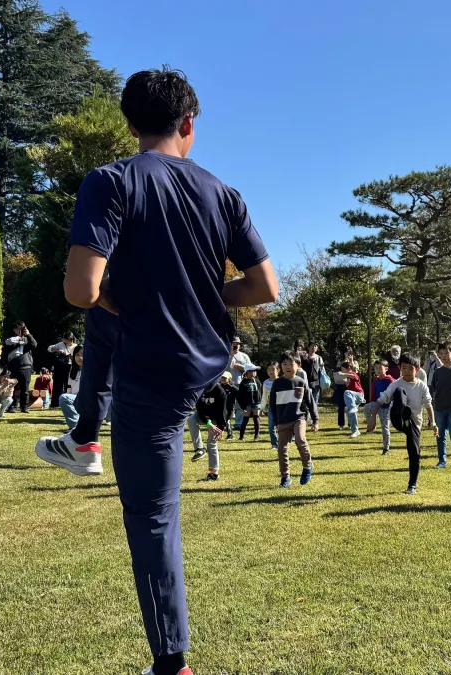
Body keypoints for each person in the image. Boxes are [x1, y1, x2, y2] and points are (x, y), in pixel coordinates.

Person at [52, 67, 278, 675]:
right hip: (206, 359)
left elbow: (81, 289)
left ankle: (171, 662)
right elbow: (264, 288)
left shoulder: (111, 181)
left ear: (130, 125)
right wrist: (199, 295)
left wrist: (131, 297)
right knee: (107, 320)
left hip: (152, 370)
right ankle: (84, 436)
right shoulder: (223, 192)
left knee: (152, 518)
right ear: (189, 123)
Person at [376, 353, 435, 494]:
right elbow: (381, 399)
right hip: (397, 418)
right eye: (404, 368)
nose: (407, 371)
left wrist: (433, 423)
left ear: (417, 369)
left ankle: (412, 485)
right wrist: (372, 418)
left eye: (410, 368)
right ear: (399, 368)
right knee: (400, 392)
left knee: (415, 452)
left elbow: (428, 405)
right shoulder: (396, 383)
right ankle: (403, 412)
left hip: (413, 422)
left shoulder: (421, 386)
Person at [271, 353, 318, 488]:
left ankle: (307, 466)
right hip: (283, 420)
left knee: (300, 439)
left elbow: (310, 402)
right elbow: (272, 405)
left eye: (291, 364)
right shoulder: (277, 383)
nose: (288, 367)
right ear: (280, 367)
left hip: (299, 418)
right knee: (282, 449)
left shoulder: (301, 382)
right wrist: (276, 422)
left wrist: (315, 420)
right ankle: (285, 477)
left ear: (298, 366)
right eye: (284, 364)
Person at [190, 372, 235, 482]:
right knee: (191, 419)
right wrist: (208, 422)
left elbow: (222, 412)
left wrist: (221, 428)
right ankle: (199, 448)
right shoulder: (200, 389)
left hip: (215, 418)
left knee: (212, 442)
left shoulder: (220, 392)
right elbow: (200, 409)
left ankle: (214, 473)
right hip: (204, 416)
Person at [3, 321, 37, 413]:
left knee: (25, 388)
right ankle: (12, 406)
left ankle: (24, 407)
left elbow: (34, 345)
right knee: (13, 388)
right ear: (14, 330)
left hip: (26, 366)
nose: (21, 330)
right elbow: (7, 345)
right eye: (19, 328)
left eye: (22, 328)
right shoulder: (11, 339)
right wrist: (19, 340)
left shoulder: (27, 339)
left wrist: (28, 335)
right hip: (13, 366)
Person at [364, 361, 396, 453]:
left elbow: (394, 394)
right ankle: (371, 424)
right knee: (366, 408)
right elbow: (373, 394)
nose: (378, 370)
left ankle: (386, 448)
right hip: (376, 405)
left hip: (386, 408)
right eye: (376, 368)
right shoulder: (376, 381)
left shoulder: (391, 381)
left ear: (386, 369)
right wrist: (372, 403)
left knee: (385, 428)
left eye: (380, 368)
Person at [55, 346, 86, 433]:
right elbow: (69, 391)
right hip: (76, 399)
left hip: (88, 400)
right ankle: (75, 426)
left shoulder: (92, 372)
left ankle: (76, 427)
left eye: (83, 354)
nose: (80, 357)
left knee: (64, 398)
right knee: (64, 398)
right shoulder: (72, 372)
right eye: (77, 355)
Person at [227, 336, 254, 429]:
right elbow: (223, 369)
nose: (236, 346)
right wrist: (231, 356)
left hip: (240, 382)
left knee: (240, 404)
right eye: (234, 344)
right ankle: (226, 423)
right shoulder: (226, 354)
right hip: (228, 383)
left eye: (238, 344)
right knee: (228, 404)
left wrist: (242, 367)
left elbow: (251, 369)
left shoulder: (244, 356)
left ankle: (238, 423)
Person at [47, 332, 77, 409]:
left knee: (69, 386)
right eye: (66, 340)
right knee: (57, 386)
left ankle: (68, 403)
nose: (67, 342)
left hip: (70, 368)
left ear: (72, 339)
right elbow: (49, 348)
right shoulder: (61, 344)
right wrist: (58, 350)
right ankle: (55, 404)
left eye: (69, 340)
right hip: (60, 368)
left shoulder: (76, 346)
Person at [236, 364, 264, 441]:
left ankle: (256, 436)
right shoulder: (243, 382)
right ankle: (241, 436)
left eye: (255, 371)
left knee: (256, 418)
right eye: (253, 371)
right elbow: (240, 395)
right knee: (245, 419)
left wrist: (261, 403)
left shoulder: (257, 381)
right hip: (247, 403)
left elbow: (261, 392)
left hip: (256, 402)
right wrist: (243, 406)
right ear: (248, 372)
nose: (255, 372)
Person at [340, 360, 366, 438]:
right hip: (355, 397)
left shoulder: (353, 374)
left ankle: (353, 408)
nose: (342, 371)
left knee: (346, 392)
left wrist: (344, 374)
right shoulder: (348, 378)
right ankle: (355, 431)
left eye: (343, 369)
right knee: (349, 412)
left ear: (348, 369)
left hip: (358, 394)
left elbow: (354, 376)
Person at [262, 362, 280, 449]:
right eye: (268, 369)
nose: (270, 372)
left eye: (273, 369)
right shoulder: (266, 382)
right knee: (271, 426)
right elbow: (264, 396)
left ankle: (282, 442)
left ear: (278, 370)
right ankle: (274, 444)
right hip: (271, 407)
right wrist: (262, 408)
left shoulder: (282, 381)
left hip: (281, 407)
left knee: (281, 426)